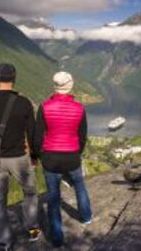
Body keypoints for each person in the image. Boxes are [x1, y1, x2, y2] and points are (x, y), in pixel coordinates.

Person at [0, 63, 41, 250]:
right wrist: (34, 155)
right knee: (29, 192)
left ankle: (4, 241)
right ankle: (33, 229)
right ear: (14, 78)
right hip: (20, 158)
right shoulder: (24, 103)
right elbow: (33, 133)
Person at [34, 71, 92, 248]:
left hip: (50, 157)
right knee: (79, 186)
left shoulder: (44, 107)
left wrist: (40, 155)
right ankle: (85, 217)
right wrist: (77, 152)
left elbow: (37, 136)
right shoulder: (79, 108)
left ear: (55, 86)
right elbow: (82, 136)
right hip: (72, 156)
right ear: (70, 85)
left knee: (53, 197)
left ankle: (58, 239)